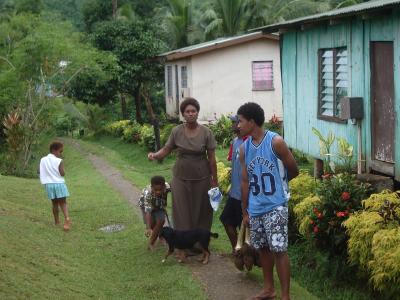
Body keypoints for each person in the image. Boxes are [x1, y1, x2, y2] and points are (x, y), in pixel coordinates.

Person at [237, 103, 298, 300]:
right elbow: (245, 180)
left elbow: (293, 169)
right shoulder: (244, 148)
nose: (238, 125)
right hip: (255, 208)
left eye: (240, 121)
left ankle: (285, 296)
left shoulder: (275, 142)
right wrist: (245, 210)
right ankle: (269, 289)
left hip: (275, 206)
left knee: (279, 250)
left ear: (252, 122)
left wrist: (280, 186)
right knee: (263, 249)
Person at [148, 97, 218, 231]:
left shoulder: (206, 132)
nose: (191, 113)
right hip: (180, 177)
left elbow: (212, 159)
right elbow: (166, 149)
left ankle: (198, 242)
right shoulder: (176, 131)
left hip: (202, 177)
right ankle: (183, 243)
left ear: (197, 113)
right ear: (183, 114)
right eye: (187, 111)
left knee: (201, 208)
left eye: (194, 111)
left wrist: (215, 181)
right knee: (181, 209)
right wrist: (155, 155)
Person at [219, 115, 248, 254]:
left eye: (234, 122)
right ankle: (237, 249)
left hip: (246, 194)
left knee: (245, 226)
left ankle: (244, 253)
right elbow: (232, 161)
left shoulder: (250, 143)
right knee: (226, 220)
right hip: (234, 193)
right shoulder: (235, 141)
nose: (232, 125)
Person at [39, 141, 72, 231]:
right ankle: (67, 219)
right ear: (54, 150)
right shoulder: (59, 161)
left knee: (54, 203)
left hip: (49, 185)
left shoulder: (43, 159)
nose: (61, 154)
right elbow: (62, 173)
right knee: (63, 203)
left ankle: (57, 222)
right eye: (60, 151)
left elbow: (41, 171)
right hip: (59, 184)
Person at [138, 175, 170, 250]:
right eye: (156, 190)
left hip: (159, 205)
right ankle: (157, 238)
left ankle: (153, 241)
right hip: (146, 206)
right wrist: (148, 228)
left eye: (160, 190)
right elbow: (148, 212)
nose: (158, 192)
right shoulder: (148, 193)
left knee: (161, 220)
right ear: (152, 187)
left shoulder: (168, 187)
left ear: (164, 187)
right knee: (152, 224)